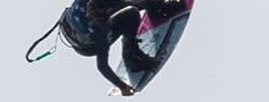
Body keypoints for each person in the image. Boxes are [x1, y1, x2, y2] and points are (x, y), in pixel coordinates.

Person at [55, 0, 184, 95]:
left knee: (133, 7)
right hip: (88, 46)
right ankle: (131, 55)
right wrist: (122, 86)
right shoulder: (99, 29)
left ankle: (156, 8)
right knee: (131, 14)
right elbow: (102, 66)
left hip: (80, 24)